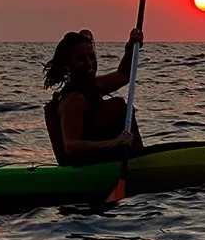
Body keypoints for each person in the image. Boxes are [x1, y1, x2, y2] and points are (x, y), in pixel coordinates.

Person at [43, 28, 144, 165]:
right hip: (89, 165)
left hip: (121, 158)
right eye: (81, 59)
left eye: (91, 56)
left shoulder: (94, 85)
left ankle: (138, 156)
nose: (89, 63)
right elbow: (71, 145)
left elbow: (124, 75)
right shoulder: (73, 99)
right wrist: (115, 143)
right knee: (116, 105)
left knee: (117, 104)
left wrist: (131, 47)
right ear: (68, 65)